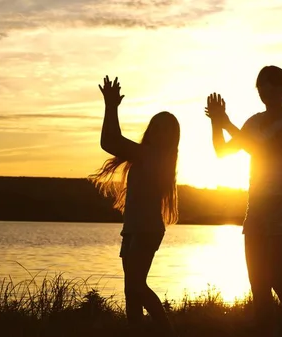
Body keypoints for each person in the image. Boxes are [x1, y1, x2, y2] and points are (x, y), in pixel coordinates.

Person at [205, 66, 282, 337]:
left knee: (280, 281)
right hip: (257, 207)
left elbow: (262, 150)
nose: (265, 91)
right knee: (258, 286)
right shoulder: (253, 122)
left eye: (271, 85)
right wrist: (216, 122)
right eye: (261, 86)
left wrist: (228, 123)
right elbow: (222, 151)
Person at [90, 75, 180, 337]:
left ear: (171, 137)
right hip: (134, 229)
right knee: (131, 290)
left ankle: (167, 331)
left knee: (137, 287)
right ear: (151, 130)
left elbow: (110, 141)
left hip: (145, 230)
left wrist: (111, 106)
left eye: (166, 129)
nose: (159, 132)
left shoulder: (153, 156)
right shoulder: (149, 155)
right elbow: (112, 143)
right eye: (156, 126)